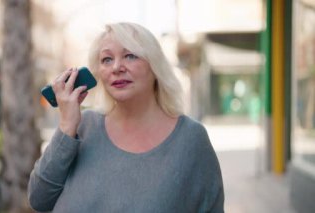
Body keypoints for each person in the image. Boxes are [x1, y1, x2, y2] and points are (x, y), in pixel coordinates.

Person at [28, 22, 224, 212]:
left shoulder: (190, 138)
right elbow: (38, 199)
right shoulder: (82, 127)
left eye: (130, 56)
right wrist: (66, 126)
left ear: (155, 66)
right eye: (107, 59)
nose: (117, 67)